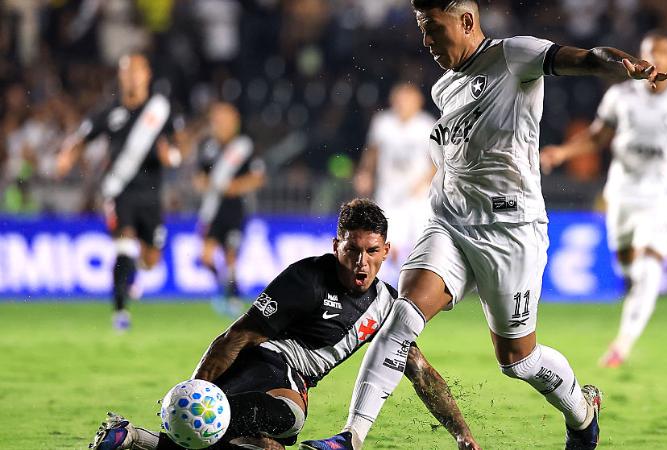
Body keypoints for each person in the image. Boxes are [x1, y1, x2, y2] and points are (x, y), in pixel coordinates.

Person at [301, 2, 667, 449]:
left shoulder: (514, 55)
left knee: (518, 359)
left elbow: (586, 57)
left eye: (433, 29)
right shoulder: (444, 89)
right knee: (399, 318)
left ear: (465, 22)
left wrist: (625, 64)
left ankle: (582, 411)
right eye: (422, 31)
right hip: (449, 221)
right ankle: (352, 437)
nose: (426, 41)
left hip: (510, 230)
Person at [89, 199, 480, 450]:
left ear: (386, 251)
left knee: (263, 445)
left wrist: (463, 436)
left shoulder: (386, 305)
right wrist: (198, 392)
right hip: (264, 365)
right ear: (336, 246)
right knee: (287, 417)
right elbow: (237, 336)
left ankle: (132, 440)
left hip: (288, 382)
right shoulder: (305, 279)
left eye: (371, 252)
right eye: (352, 250)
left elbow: (420, 372)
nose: (362, 261)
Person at [541, 32, 667, 367]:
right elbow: (598, 136)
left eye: (665, 52)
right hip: (624, 190)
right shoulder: (621, 96)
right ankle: (650, 254)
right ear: (640, 58)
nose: (658, 57)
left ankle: (622, 343)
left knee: (647, 269)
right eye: (651, 52)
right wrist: (563, 152)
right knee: (628, 262)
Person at [56, 53, 181, 331]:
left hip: (151, 193)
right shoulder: (109, 110)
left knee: (151, 260)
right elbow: (81, 137)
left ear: (147, 75)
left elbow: (176, 147)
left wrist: (171, 155)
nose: (132, 76)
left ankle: (135, 271)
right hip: (119, 189)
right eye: (127, 71)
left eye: (137, 71)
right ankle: (120, 310)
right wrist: (67, 155)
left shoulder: (160, 110)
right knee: (123, 243)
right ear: (121, 76)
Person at [193, 102, 266, 316]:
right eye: (216, 121)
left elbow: (258, 177)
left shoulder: (245, 146)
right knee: (206, 257)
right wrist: (202, 183)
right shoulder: (209, 146)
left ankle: (233, 297)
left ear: (234, 123)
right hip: (212, 209)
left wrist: (236, 187)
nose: (218, 125)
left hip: (235, 209)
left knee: (230, 256)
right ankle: (223, 288)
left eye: (222, 120)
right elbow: (200, 175)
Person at [354, 82, 436, 268]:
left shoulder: (426, 124)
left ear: (418, 101)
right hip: (389, 193)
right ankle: (394, 281)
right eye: (399, 99)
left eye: (407, 99)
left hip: (419, 195)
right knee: (388, 241)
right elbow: (372, 151)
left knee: (422, 241)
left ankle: (421, 282)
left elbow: (438, 161)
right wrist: (365, 172)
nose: (402, 104)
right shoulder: (383, 122)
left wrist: (424, 181)